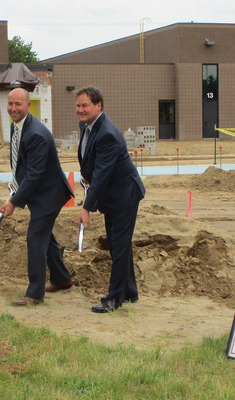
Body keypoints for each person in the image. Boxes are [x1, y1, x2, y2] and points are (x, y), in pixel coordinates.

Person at [0, 87, 74, 306]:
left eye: (18, 104)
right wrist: (14, 191)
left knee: (35, 238)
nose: (13, 108)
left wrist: (13, 202)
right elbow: (21, 167)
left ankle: (34, 294)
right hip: (39, 193)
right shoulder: (18, 127)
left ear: (28, 105)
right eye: (10, 104)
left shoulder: (36, 134)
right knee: (45, 238)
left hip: (49, 195)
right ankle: (62, 279)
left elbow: (34, 175)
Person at [76, 87, 146, 313]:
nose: (80, 110)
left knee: (119, 245)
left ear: (99, 106)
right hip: (114, 195)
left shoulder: (107, 133)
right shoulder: (87, 126)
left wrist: (86, 208)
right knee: (118, 245)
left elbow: (103, 175)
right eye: (78, 105)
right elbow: (91, 158)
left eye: (85, 105)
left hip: (124, 194)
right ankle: (130, 291)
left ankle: (114, 298)